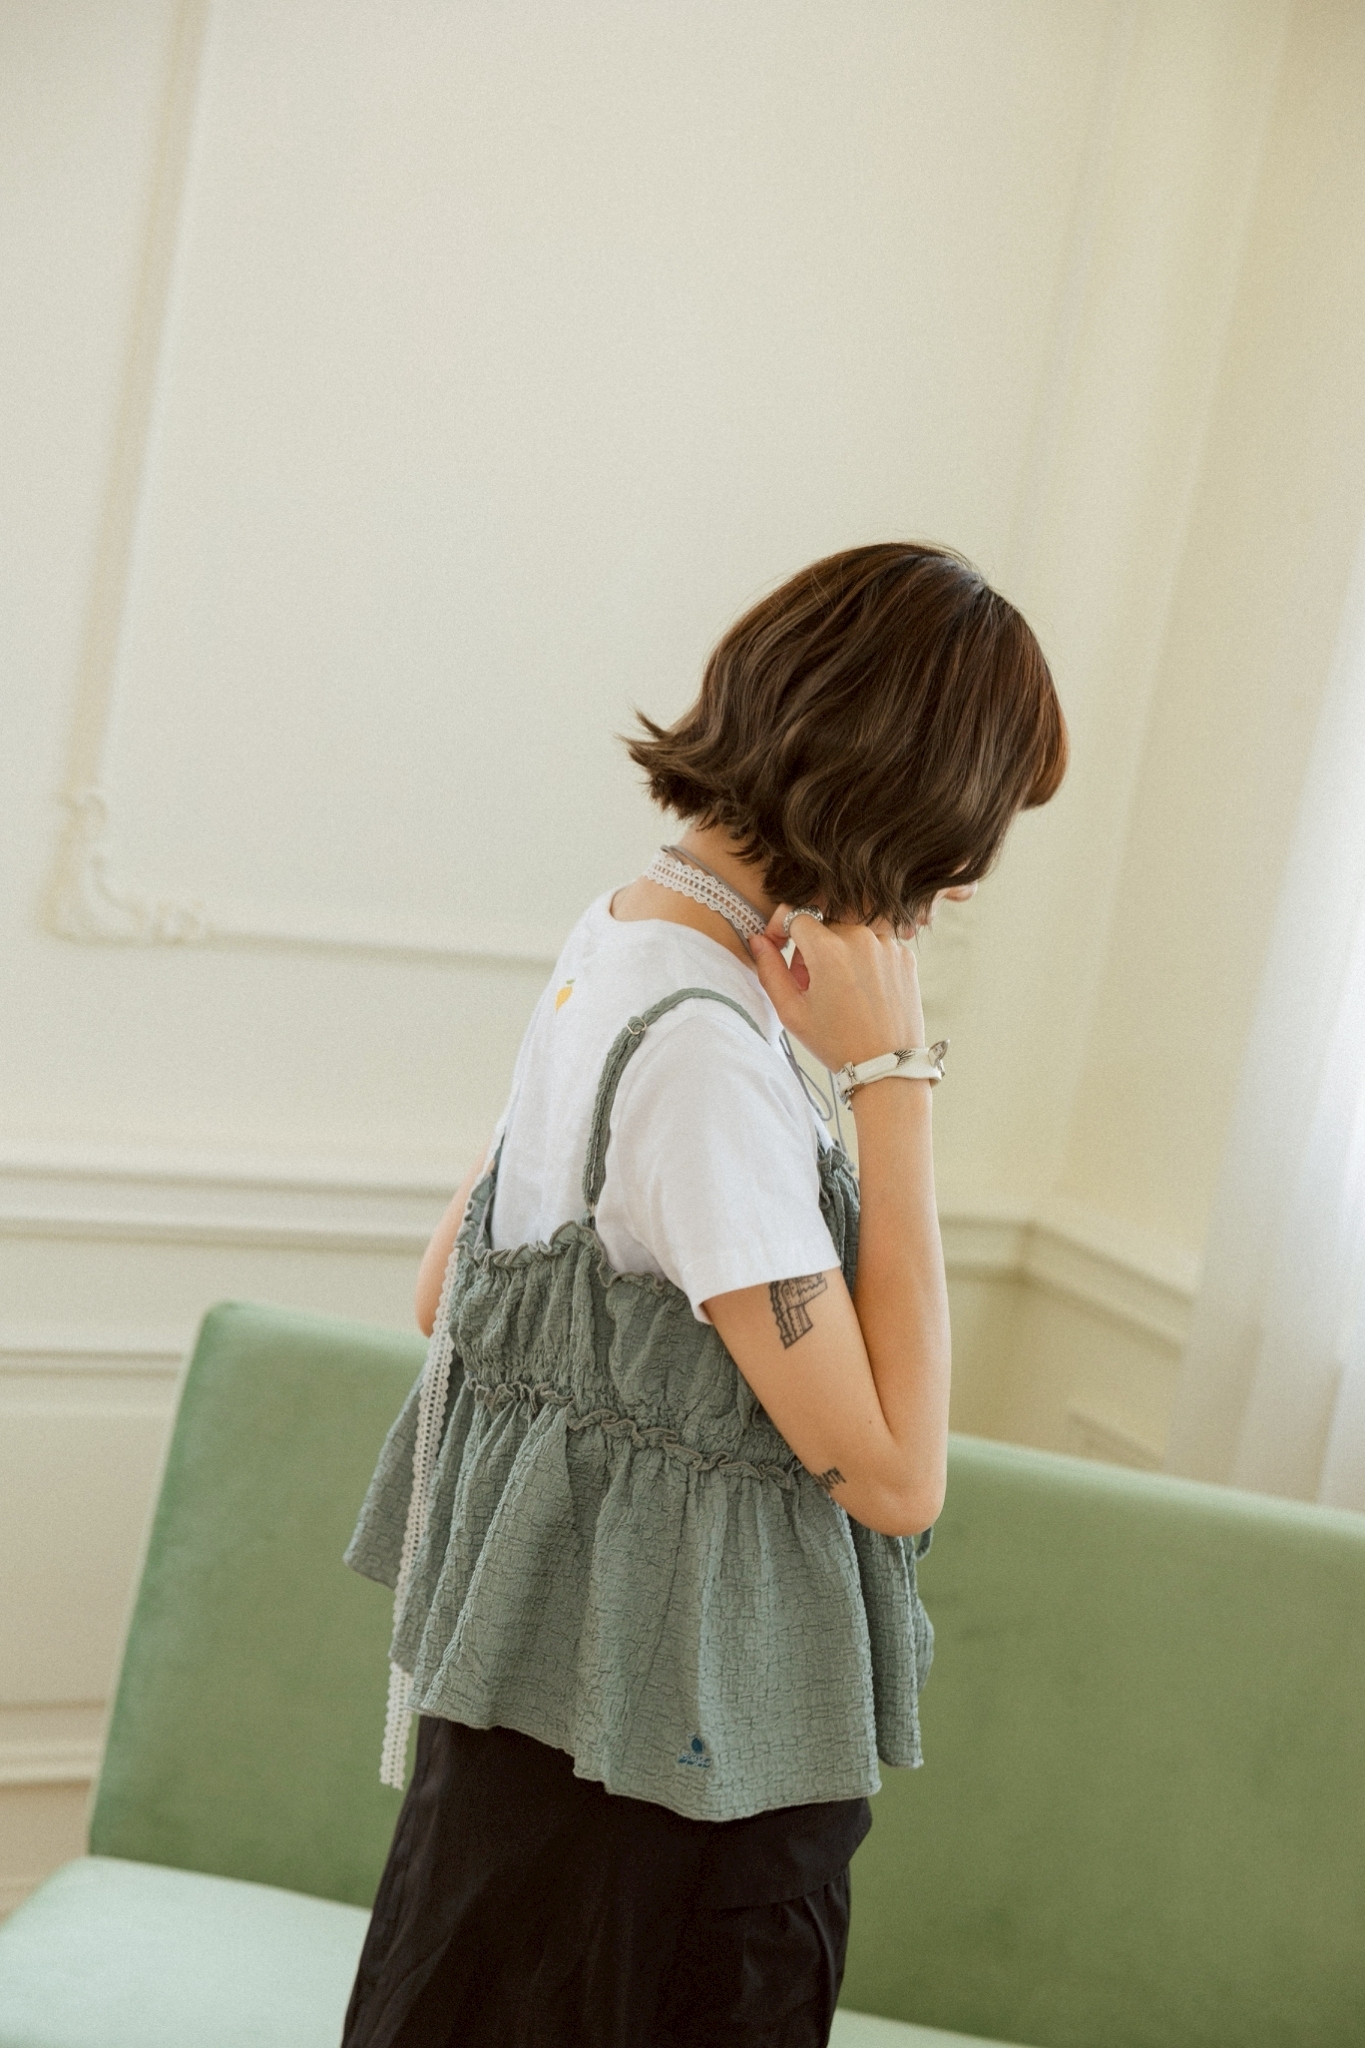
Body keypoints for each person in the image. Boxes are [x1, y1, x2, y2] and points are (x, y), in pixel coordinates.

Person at [341, 541, 1067, 2047]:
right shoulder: (706, 1057)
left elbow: (446, 1294)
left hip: (543, 1758)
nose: (960, 878)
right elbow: (894, 1477)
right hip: (674, 1802)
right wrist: (891, 1082)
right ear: (903, 794)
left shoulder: (618, 940)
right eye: (971, 830)